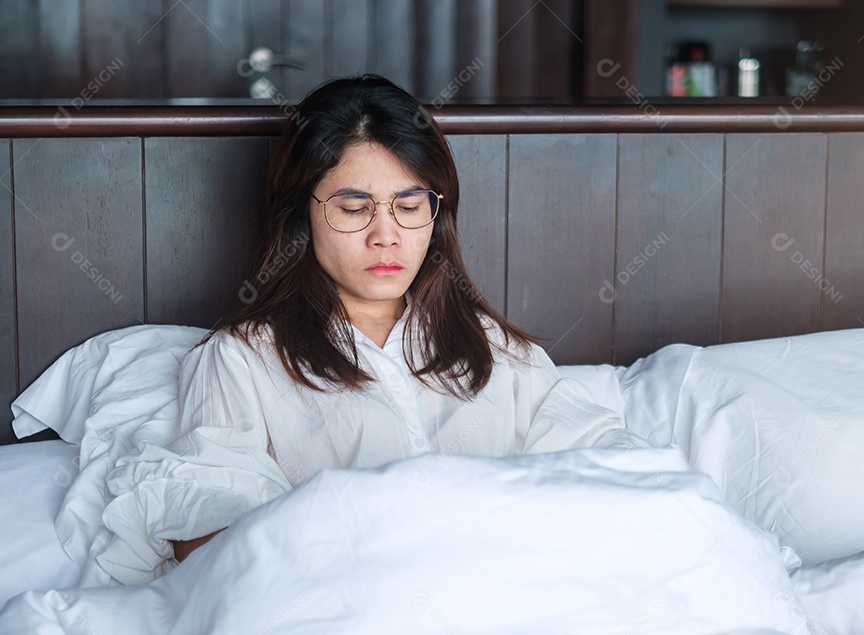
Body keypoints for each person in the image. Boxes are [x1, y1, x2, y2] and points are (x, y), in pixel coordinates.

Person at [96, 74, 646, 584]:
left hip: (514, 595)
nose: (386, 235)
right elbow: (212, 532)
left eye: (409, 205)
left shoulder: (497, 350)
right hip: (340, 612)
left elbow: (609, 468)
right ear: (301, 216)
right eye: (354, 208)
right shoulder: (242, 360)